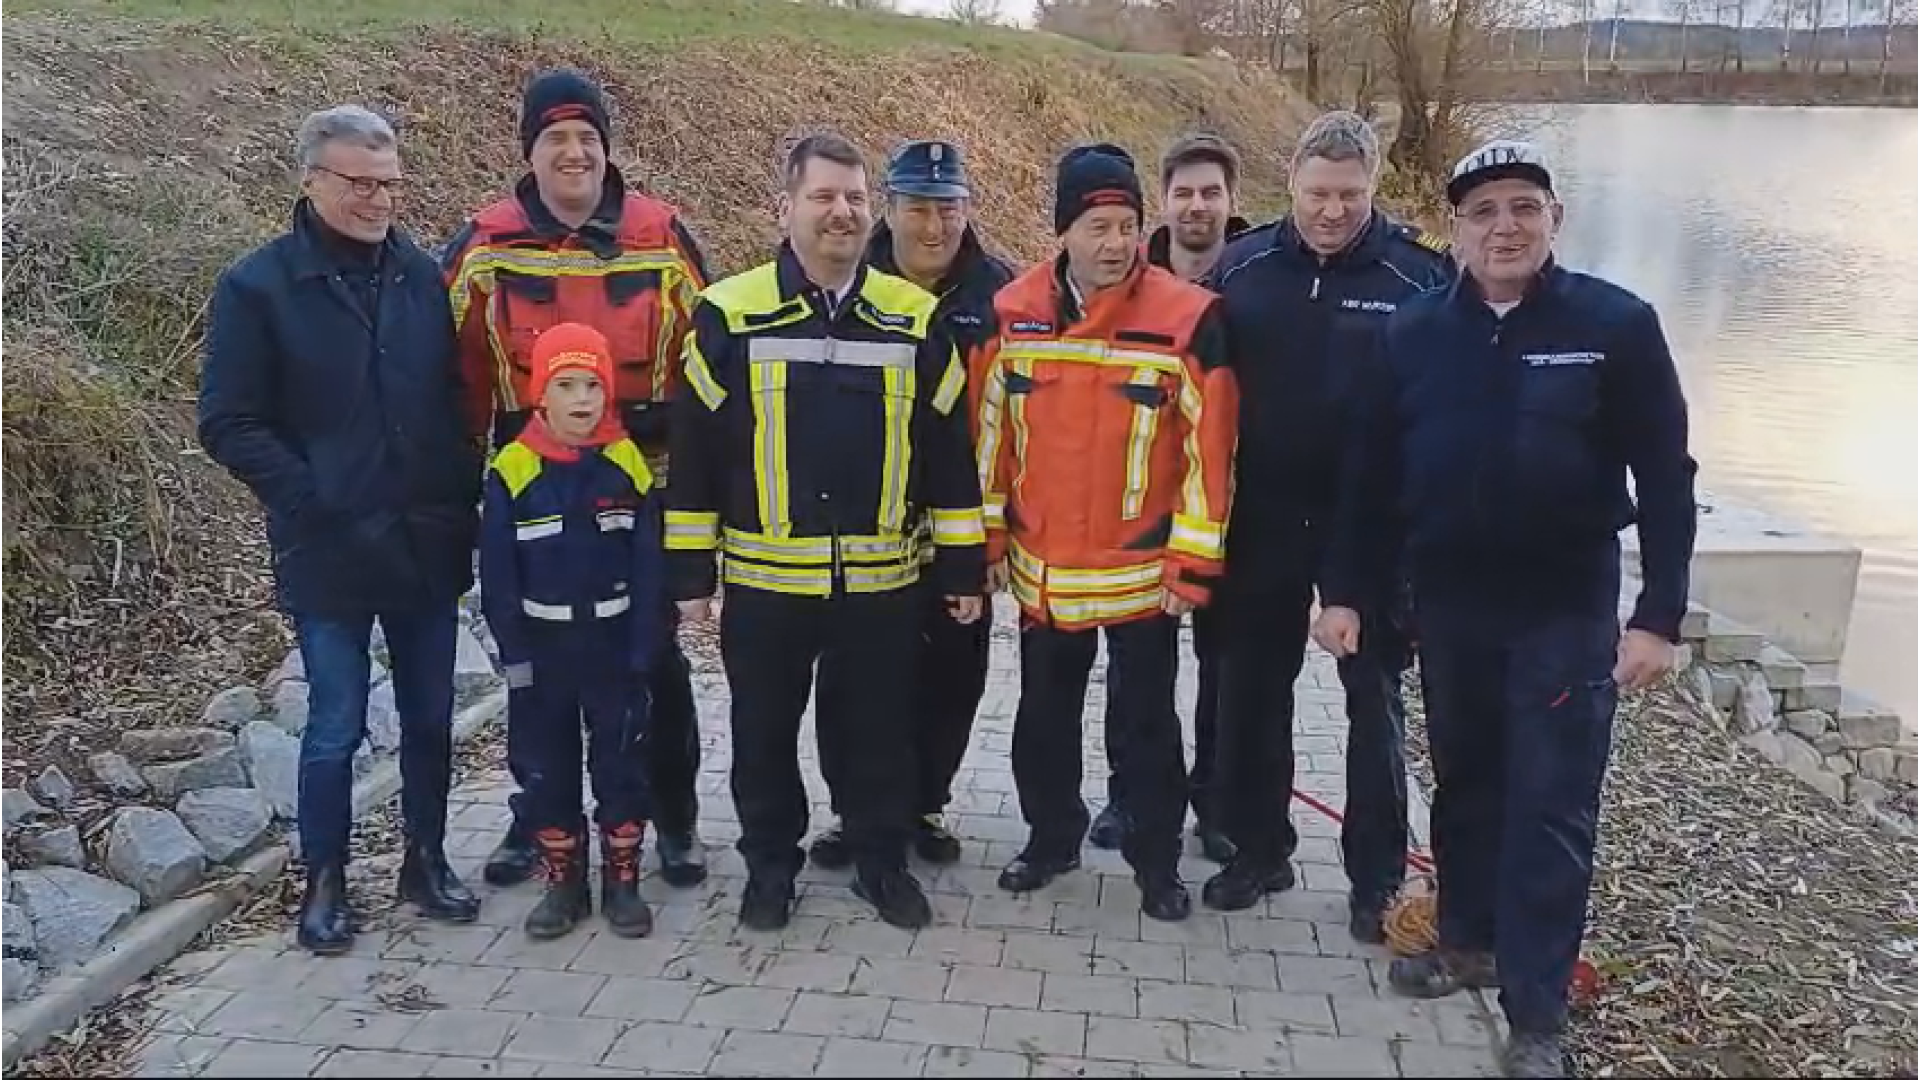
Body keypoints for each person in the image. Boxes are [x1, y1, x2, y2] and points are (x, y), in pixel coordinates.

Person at [1316, 139, 1698, 1079]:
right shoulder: (1412, 332)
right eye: (1483, 212)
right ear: (1455, 228)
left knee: (1550, 806)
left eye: (1524, 207)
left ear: (1554, 218)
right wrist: (1345, 592)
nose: (1505, 227)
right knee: (1466, 784)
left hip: (1563, 611)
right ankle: (1466, 941)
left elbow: (1666, 475)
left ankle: (1536, 1014)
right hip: (1450, 606)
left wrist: (1658, 616)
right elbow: (1366, 478)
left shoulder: (1615, 324)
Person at [663, 131, 987, 932]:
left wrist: (961, 568)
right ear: (786, 208)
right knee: (763, 735)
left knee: (879, 733)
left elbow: (949, 456)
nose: (841, 211)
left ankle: (881, 863)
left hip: (881, 584)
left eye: (853, 197)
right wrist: (691, 577)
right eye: (823, 196)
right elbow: (696, 453)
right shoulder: (729, 313)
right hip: (767, 584)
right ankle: (770, 868)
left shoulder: (914, 318)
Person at [198, 105, 482, 955]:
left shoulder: (422, 276)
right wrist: (311, 495)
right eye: (360, 183)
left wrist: (459, 487)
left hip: (425, 537)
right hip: (327, 546)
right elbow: (228, 421)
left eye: (390, 184)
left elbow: (452, 395)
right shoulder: (258, 288)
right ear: (312, 179)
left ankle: (426, 859)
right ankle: (324, 879)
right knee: (335, 723)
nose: (378, 200)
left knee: (430, 717)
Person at [441, 68, 711, 891]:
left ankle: (674, 819)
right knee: (544, 683)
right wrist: (462, 491)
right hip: (536, 492)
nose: (574, 153)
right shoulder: (485, 247)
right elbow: (453, 380)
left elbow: (708, 370)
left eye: (588, 138)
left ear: (607, 150)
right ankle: (538, 821)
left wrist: (700, 501)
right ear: (528, 152)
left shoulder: (660, 238)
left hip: (642, 491)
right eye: (555, 138)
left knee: (655, 667)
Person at [1200, 112, 1454, 941]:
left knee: (1371, 699)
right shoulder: (1242, 268)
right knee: (1251, 687)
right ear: (1291, 184)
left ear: (1373, 188)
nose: (1332, 211)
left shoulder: (1419, 278)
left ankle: (1375, 877)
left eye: (1349, 195)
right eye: (1317, 194)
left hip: (1373, 522)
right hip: (1265, 509)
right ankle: (1258, 849)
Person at [975, 143, 1239, 922]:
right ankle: (1049, 839)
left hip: (1141, 576)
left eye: (1127, 225)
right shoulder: (1011, 312)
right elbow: (989, 440)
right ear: (1063, 231)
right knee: (1043, 718)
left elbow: (1211, 451)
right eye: (1098, 227)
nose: (1116, 243)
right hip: (1045, 572)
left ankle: (1156, 864)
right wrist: (988, 544)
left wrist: (1192, 564)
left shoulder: (1189, 319)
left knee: (1147, 725)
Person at [806, 139, 1016, 872]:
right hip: (868, 529)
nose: (935, 226)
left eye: (948, 209)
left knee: (953, 674)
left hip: (962, 528)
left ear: (968, 210)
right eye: (919, 210)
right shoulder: (849, 284)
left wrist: (997, 537)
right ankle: (854, 810)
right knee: (851, 675)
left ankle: (925, 802)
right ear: (889, 212)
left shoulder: (1002, 296)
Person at [1096, 132, 1255, 866]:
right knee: (1136, 669)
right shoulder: (1125, 273)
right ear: (1163, 201)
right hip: (1145, 509)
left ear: (1231, 200)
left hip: (1239, 504)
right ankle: (1128, 795)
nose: (1197, 205)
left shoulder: (1258, 274)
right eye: (1184, 192)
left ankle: (1217, 803)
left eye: (1211, 192)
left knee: (1226, 665)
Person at [479, 322, 666, 942]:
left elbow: (649, 563)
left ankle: (623, 880)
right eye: (566, 385)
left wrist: (644, 647)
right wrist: (514, 655)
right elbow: (498, 574)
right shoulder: (514, 469)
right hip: (544, 651)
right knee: (546, 768)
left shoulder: (626, 463)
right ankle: (563, 881)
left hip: (612, 646)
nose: (582, 398)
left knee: (622, 764)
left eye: (593, 384)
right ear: (541, 393)